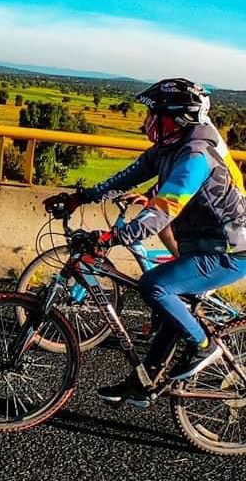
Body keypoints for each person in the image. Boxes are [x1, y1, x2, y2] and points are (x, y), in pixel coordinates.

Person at [45, 78, 246, 406]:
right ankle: (144, 383)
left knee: (155, 285)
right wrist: (82, 197)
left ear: (181, 117)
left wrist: (115, 237)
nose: (148, 122)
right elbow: (131, 174)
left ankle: (204, 347)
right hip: (202, 243)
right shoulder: (173, 143)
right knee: (172, 310)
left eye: (157, 114)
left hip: (230, 251)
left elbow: (165, 208)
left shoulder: (196, 154)